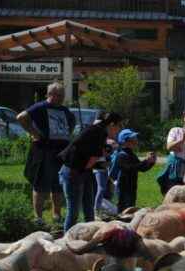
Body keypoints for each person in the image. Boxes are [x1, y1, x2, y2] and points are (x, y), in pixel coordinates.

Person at [17, 82, 76, 226]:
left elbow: (72, 122)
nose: (61, 98)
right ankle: (38, 217)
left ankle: (57, 215)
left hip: (61, 152)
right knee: (41, 184)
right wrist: (34, 133)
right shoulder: (41, 107)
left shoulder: (64, 110)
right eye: (59, 95)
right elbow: (21, 117)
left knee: (58, 185)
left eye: (62, 95)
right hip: (44, 150)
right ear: (50, 94)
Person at [58, 112, 123, 233]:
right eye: (120, 126)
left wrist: (99, 162)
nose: (120, 129)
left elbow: (91, 155)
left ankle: (89, 234)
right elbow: (92, 158)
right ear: (112, 124)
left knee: (88, 208)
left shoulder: (98, 130)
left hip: (82, 171)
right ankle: (67, 240)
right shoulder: (99, 132)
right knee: (74, 211)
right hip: (73, 172)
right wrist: (98, 163)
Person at [115, 129, 156, 212]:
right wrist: (145, 161)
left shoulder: (131, 154)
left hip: (132, 186)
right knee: (123, 209)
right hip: (124, 187)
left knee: (130, 208)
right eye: (133, 139)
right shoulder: (121, 155)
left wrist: (151, 162)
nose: (136, 141)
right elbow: (129, 168)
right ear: (125, 142)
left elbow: (141, 168)